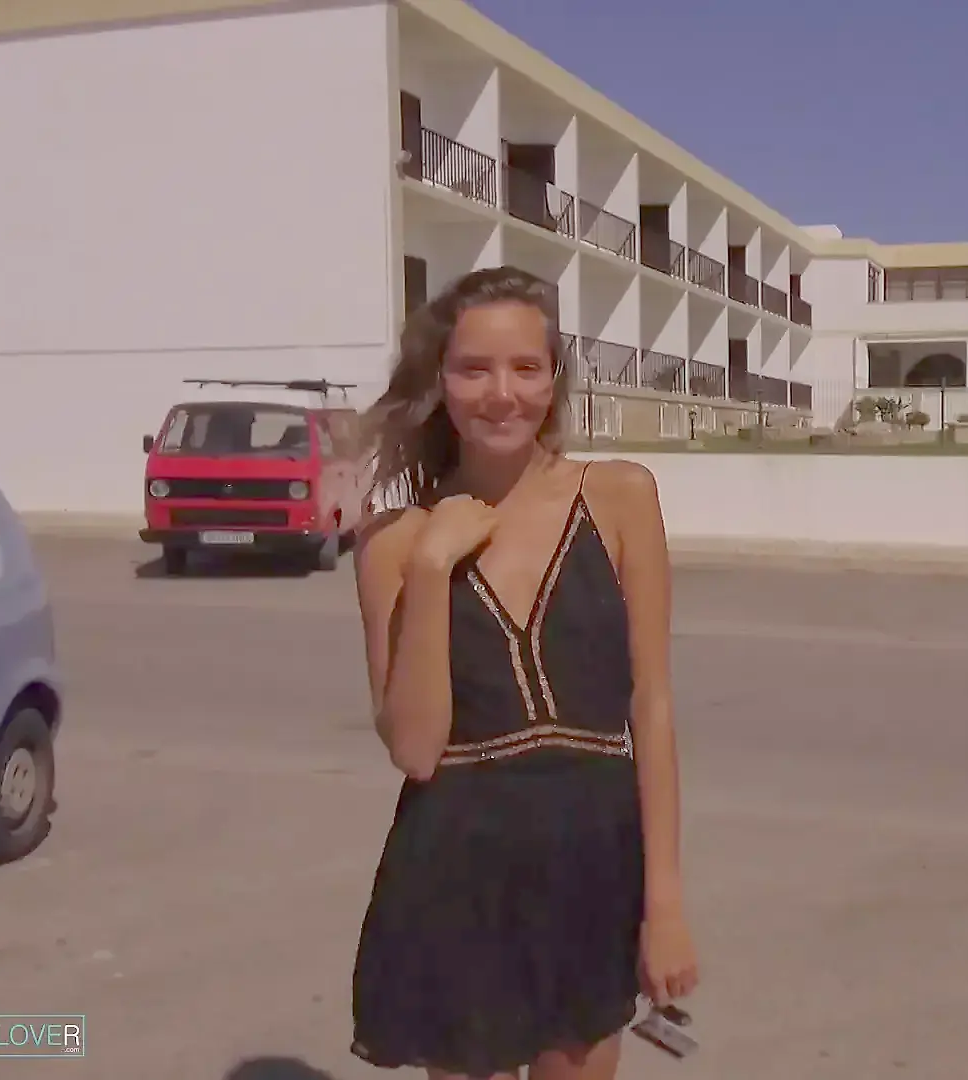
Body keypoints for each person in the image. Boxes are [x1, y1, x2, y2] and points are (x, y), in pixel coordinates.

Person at [348, 266, 699, 1079]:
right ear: (439, 381)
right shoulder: (395, 542)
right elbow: (415, 750)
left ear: (553, 379)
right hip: (456, 864)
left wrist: (665, 903)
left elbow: (651, 707)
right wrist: (432, 568)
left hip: (591, 858)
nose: (501, 394)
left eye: (525, 368)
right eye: (474, 369)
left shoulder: (619, 497)